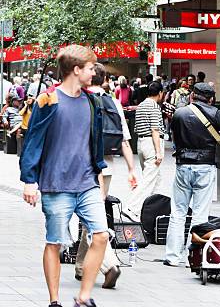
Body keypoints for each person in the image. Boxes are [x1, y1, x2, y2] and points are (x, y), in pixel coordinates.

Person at [20, 45, 109, 307]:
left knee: (101, 235)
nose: (94, 72)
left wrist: (99, 172)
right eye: (91, 68)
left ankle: (83, 296)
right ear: (76, 69)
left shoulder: (94, 101)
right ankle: (55, 301)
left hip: (87, 182)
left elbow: (96, 141)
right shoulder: (48, 100)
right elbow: (32, 141)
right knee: (55, 243)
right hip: (56, 184)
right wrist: (29, 180)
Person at [164, 83, 220, 266]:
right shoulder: (215, 113)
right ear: (211, 99)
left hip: (183, 165)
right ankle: (193, 257)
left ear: (192, 96)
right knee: (200, 213)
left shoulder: (179, 113)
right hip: (205, 166)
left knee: (178, 212)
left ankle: (172, 257)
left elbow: (174, 138)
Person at [74, 63, 137, 289]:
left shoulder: (81, 99)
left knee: (91, 217)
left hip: (83, 167)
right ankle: (82, 265)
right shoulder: (114, 103)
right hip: (107, 167)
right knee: (91, 214)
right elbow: (124, 140)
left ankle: (108, 264)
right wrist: (131, 170)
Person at [124, 81, 165, 221]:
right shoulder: (154, 106)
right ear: (160, 93)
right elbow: (155, 129)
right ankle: (132, 207)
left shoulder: (141, 105)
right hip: (151, 143)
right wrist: (158, 151)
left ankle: (151, 212)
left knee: (155, 179)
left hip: (141, 143)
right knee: (149, 180)